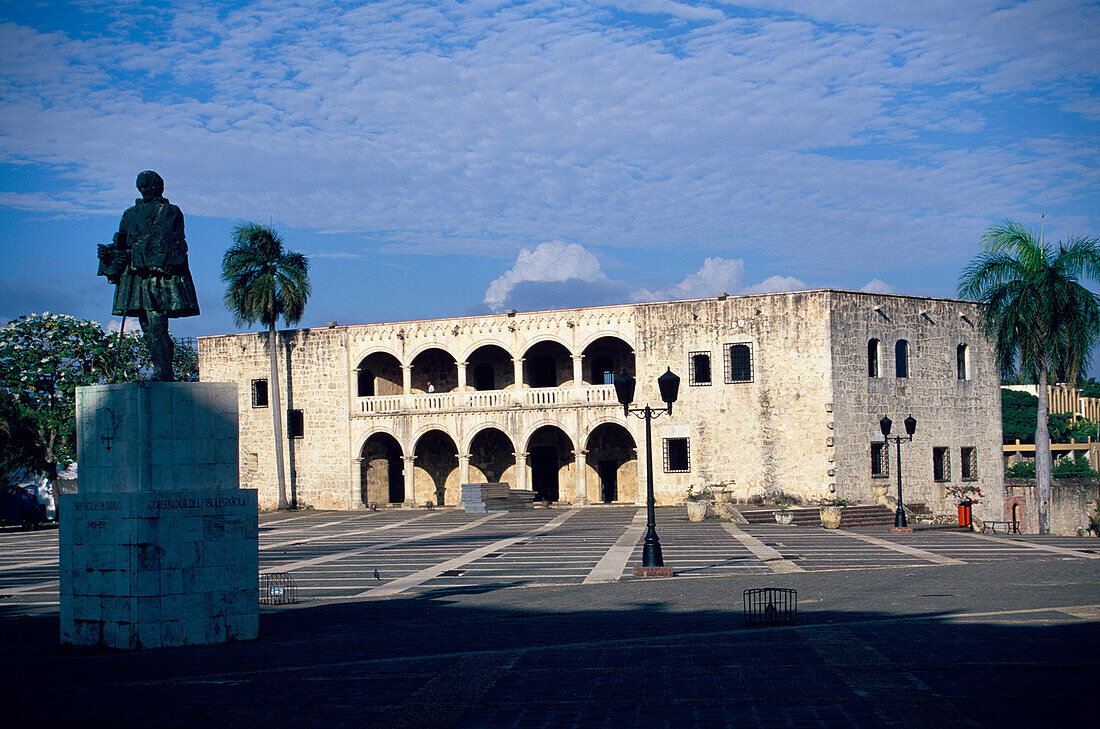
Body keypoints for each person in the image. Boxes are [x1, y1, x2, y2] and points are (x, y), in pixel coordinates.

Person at [98, 171, 199, 381]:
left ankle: (164, 371)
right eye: (141, 187)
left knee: (156, 321)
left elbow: (168, 243)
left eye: (148, 186)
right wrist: (109, 252)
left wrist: (134, 251)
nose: (144, 190)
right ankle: (161, 369)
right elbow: (122, 244)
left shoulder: (169, 211)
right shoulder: (129, 214)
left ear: (158, 187)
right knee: (146, 325)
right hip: (136, 276)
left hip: (158, 275)